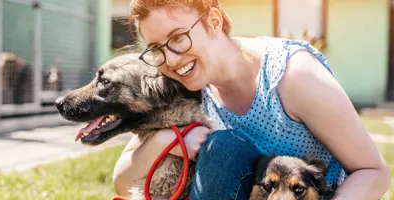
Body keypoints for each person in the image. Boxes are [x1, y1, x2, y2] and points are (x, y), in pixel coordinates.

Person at [112, 0, 391, 199]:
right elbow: (122, 181)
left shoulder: (293, 76)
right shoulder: (184, 85)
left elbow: (374, 172)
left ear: (214, 21)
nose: (170, 59)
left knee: (223, 148)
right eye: (155, 49)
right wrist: (166, 141)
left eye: (178, 38)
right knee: (224, 149)